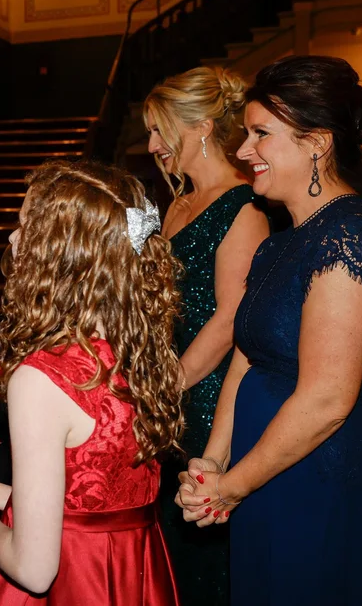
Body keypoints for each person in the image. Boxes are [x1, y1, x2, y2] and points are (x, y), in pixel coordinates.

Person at [176, 56, 362, 605]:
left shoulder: (351, 239)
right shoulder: (279, 242)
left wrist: (230, 488)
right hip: (262, 474)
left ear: (317, 143)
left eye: (260, 134)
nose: (243, 151)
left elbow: (327, 399)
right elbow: (245, 359)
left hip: (329, 485)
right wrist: (214, 461)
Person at [0, 160, 183, 605]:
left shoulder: (43, 378)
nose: (12, 239)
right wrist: (13, 500)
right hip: (132, 572)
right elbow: (104, 502)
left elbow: (36, 571)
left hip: (78, 587)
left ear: (60, 254)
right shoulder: (145, 351)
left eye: (25, 228)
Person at [143, 66, 269, 606]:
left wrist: (170, 382)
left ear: (198, 126)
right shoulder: (175, 203)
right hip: (166, 390)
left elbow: (228, 319)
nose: (151, 145)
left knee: (204, 548)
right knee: (167, 540)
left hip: (210, 394)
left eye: (159, 129)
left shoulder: (244, 207)